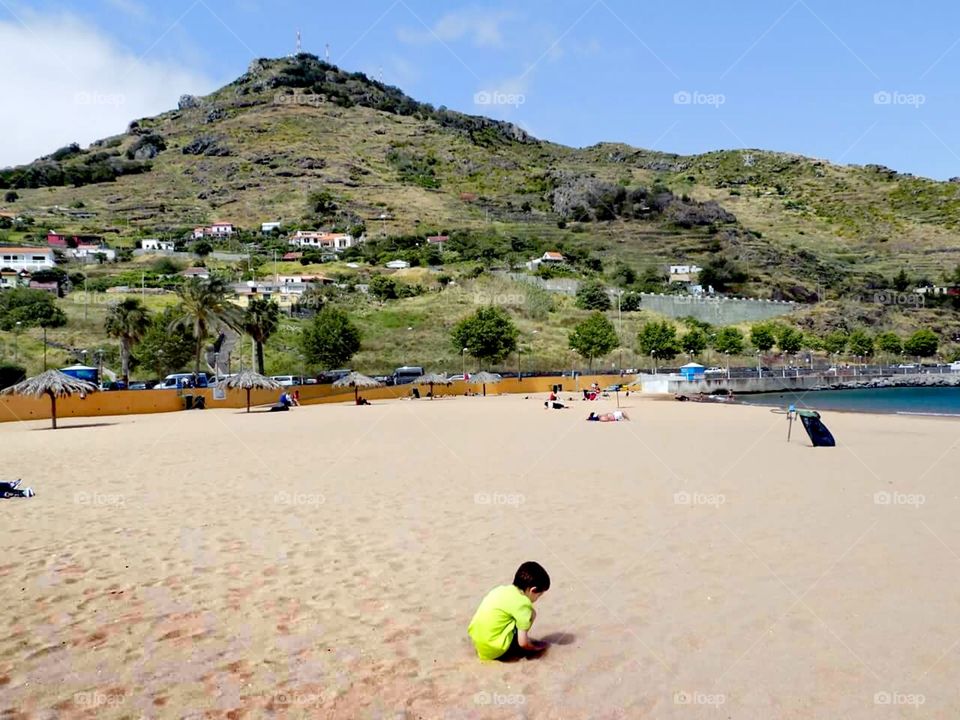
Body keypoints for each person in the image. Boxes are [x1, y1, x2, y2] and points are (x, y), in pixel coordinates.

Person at [468, 561, 550, 661]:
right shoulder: (523, 603)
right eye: (539, 595)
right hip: (495, 650)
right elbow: (523, 643)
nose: (537, 598)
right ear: (533, 590)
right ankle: (516, 647)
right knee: (531, 614)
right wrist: (533, 647)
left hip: (478, 643)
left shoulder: (500, 589)